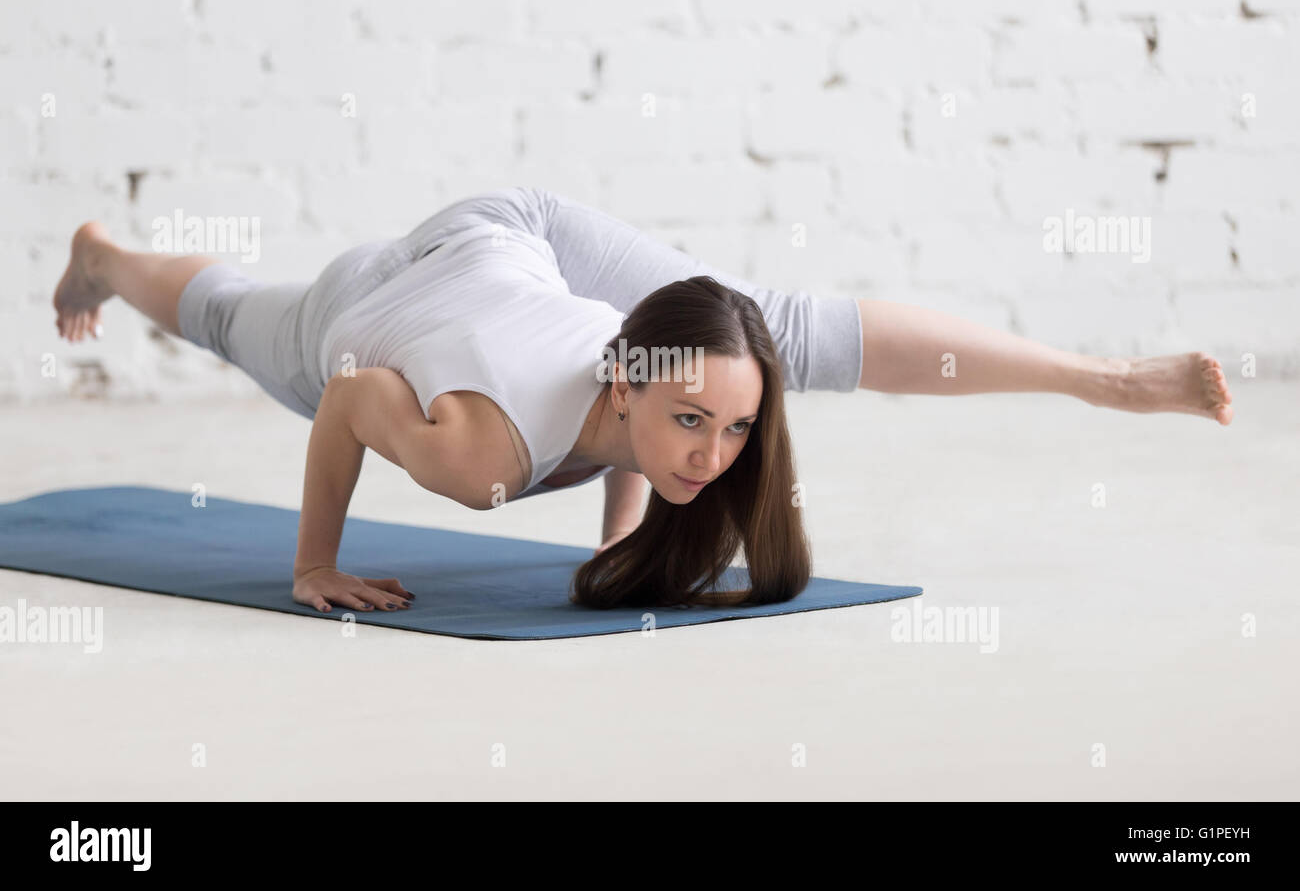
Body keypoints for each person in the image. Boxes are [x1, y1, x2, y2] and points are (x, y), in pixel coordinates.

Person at [51, 187, 1234, 613]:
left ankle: (1109, 380)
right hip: (376, 306)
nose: (715, 457)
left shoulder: (649, 379)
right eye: (693, 426)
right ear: (625, 378)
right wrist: (315, 561)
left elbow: (645, 425)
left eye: (732, 431)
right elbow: (354, 399)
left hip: (523, 234)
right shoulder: (479, 453)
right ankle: (106, 254)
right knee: (228, 315)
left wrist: (621, 545)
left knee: (781, 326)